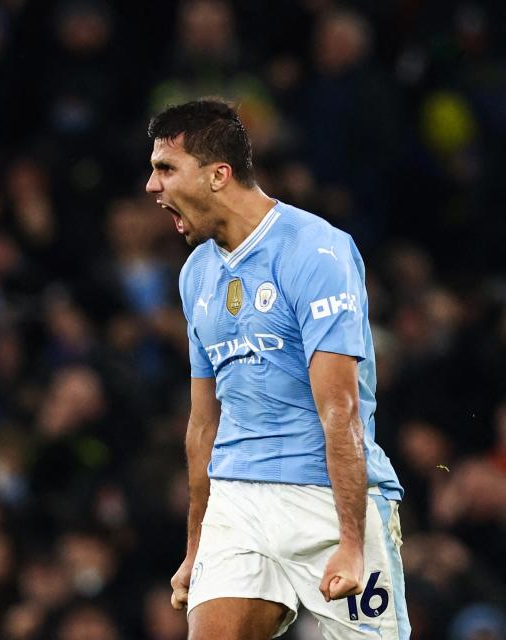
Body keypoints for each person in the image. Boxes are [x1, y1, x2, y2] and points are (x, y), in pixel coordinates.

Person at [145, 99, 408, 639]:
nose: (152, 186)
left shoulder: (317, 251)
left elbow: (341, 407)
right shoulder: (196, 272)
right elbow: (202, 424)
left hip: (323, 498)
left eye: (165, 168)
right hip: (238, 497)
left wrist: (352, 543)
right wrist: (196, 548)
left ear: (219, 175)